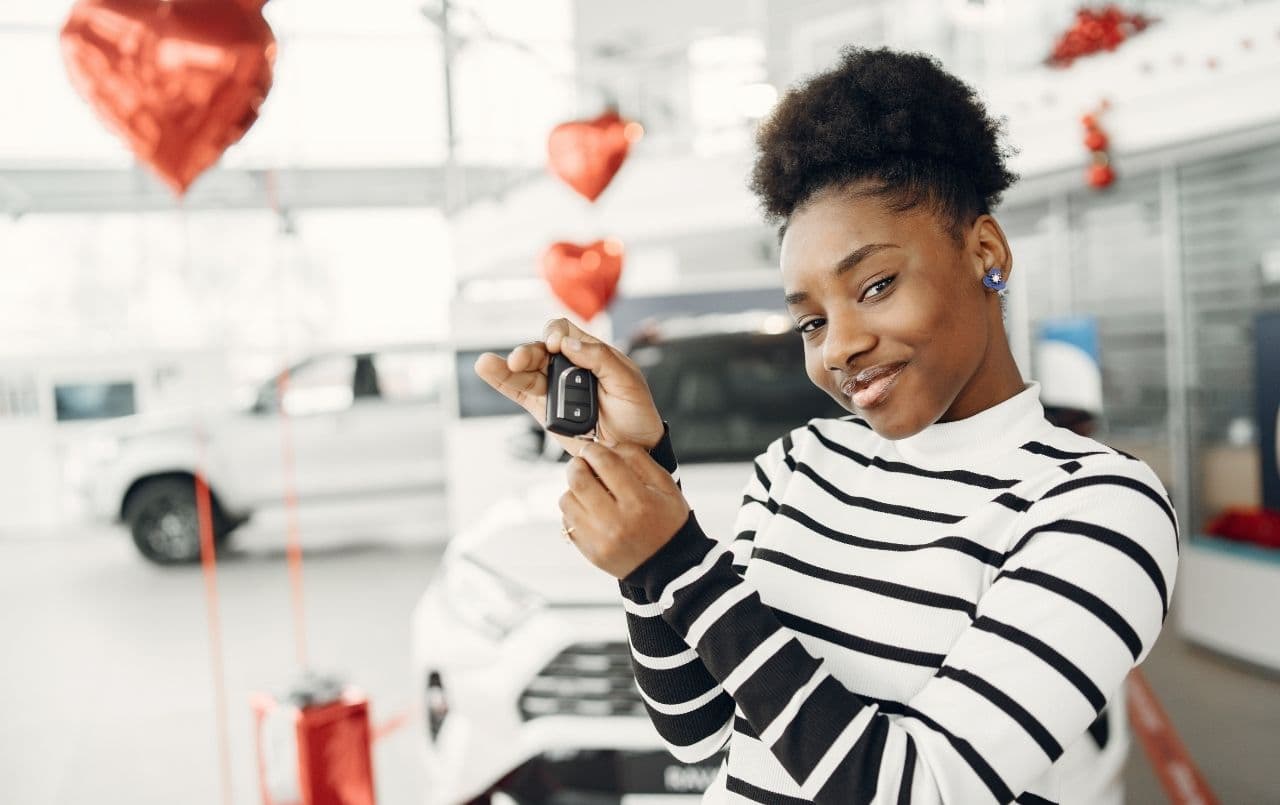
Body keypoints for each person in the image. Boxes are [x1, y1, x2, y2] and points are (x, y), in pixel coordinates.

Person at [475, 47, 1178, 804]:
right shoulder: (801, 463)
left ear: (985, 252)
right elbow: (700, 727)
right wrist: (644, 481)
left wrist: (675, 558)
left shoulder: (1098, 505)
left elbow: (921, 789)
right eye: (810, 321)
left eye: (875, 285)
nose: (840, 345)